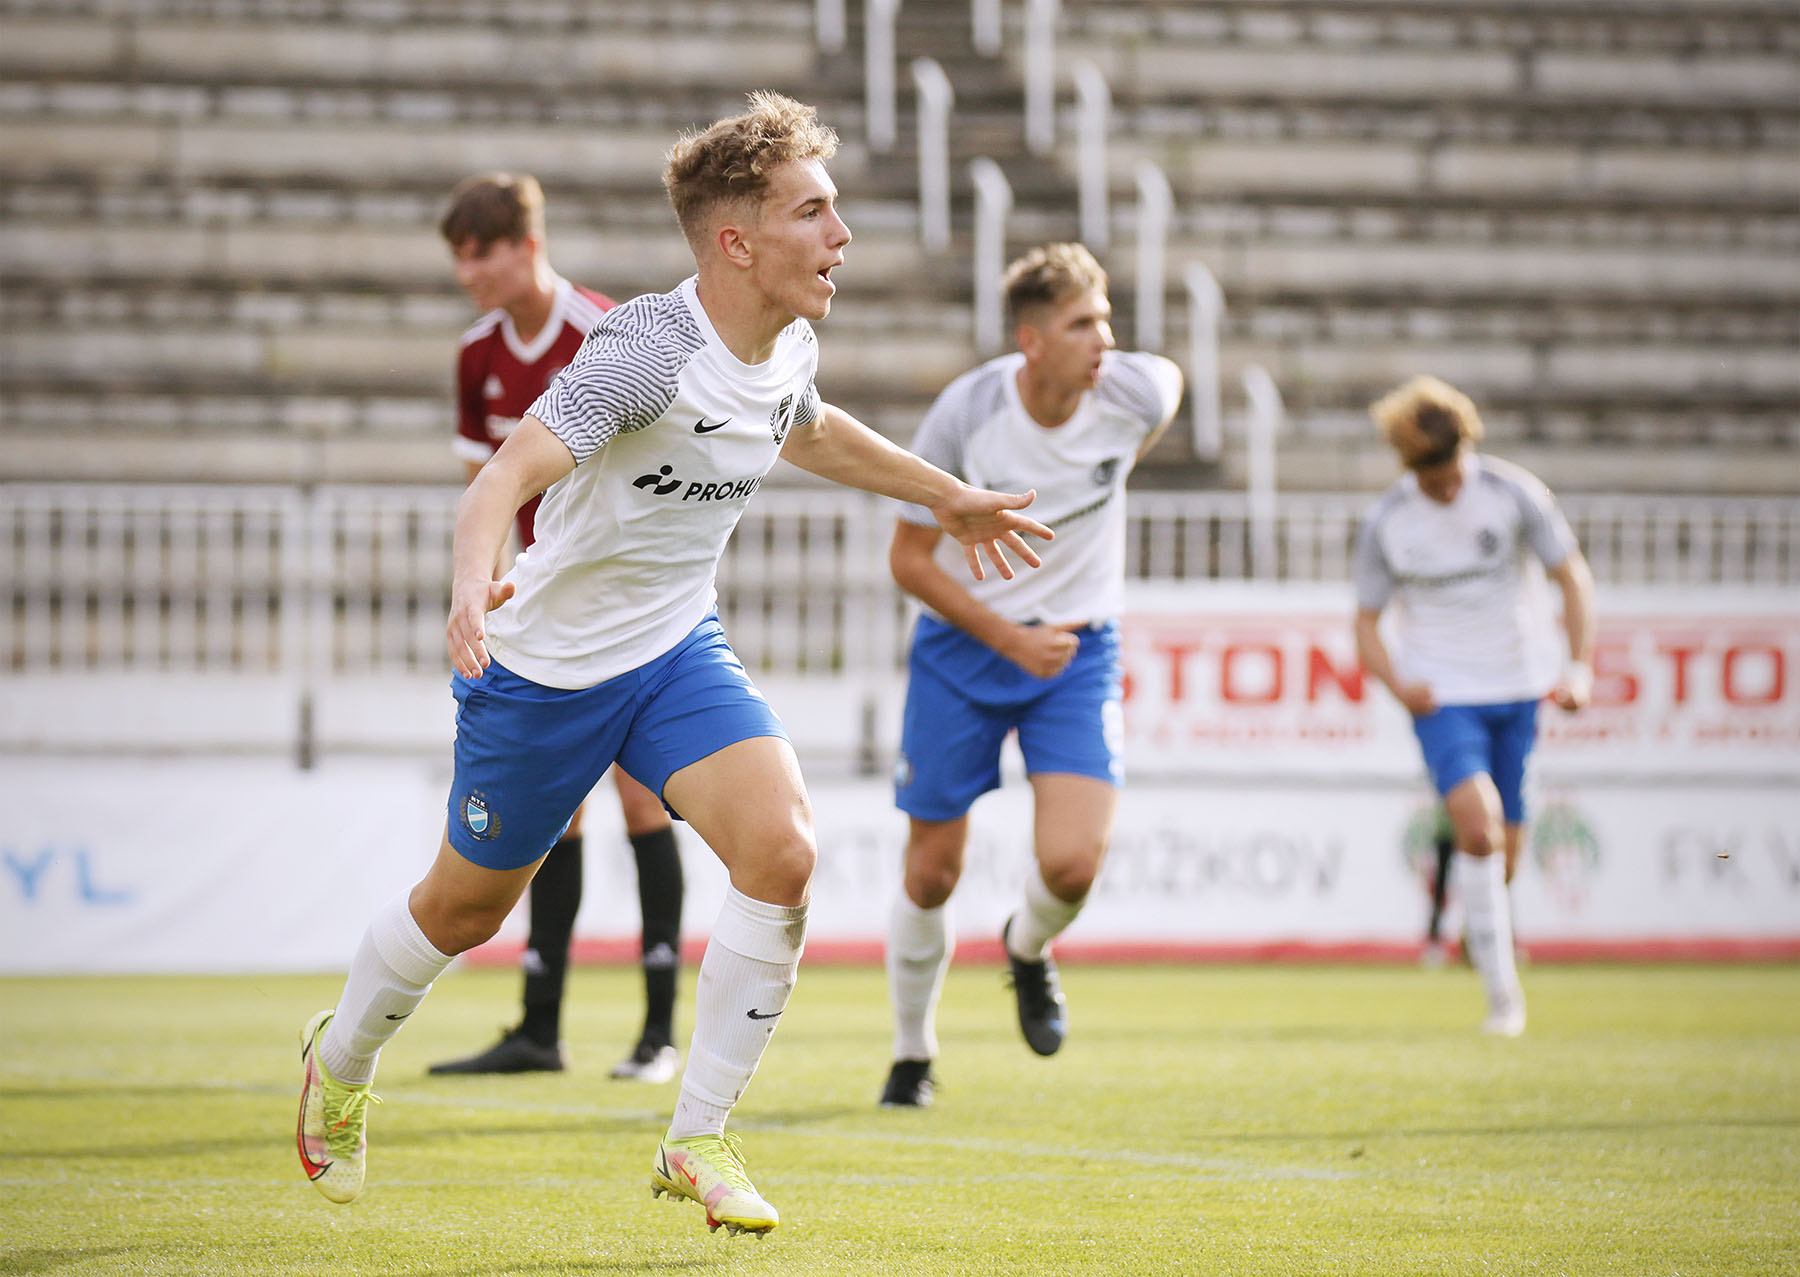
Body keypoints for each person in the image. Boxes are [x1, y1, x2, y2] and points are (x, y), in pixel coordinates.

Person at [293, 92, 1053, 1236]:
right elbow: (500, 479)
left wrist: (944, 494)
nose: (842, 235)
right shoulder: (647, 350)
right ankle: (340, 1059)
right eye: (815, 212)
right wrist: (469, 584)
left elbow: (808, 425)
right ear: (736, 241)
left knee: (783, 848)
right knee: (463, 909)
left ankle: (696, 1132)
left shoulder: (788, 337)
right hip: (545, 670)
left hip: (673, 649)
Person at [878, 243, 1183, 1108]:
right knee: (932, 869)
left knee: (1075, 863)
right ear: (1032, 340)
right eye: (1084, 324)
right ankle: (912, 1052)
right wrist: (1008, 636)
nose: (1106, 342)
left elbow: (1166, 390)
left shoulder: (1134, 391)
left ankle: (1027, 945)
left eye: (1107, 320)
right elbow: (908, 559)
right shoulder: (967, 414)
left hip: (1078, 655)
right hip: (965, 652)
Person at [428, 171, 683, 1084]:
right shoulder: (476, 355)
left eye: (480, 253)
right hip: (533, 611)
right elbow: (484, 487)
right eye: (457, 257)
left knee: (641, 796)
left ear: (527, 246)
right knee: (556, 812)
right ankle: (541, 1027)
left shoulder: (601, 333)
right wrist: (489, 592)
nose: (469, 273)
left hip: (618, 602)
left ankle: (658, 1033)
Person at [1352, 375, 1595, 1036]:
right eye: (1431, 478)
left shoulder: (1513, 494)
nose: (1447, 487)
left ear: (1469, 446)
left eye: (1452, 470)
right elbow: (1366, 623)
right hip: (1443, 695)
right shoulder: (1388, 521)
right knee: (1478, 826)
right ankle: (1504, 998)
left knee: (1505, 853)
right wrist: (1401, 685)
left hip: (1517, 688)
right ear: (1408, 466)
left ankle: (1477, 936)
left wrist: (1578, 667)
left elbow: (1571, 576)